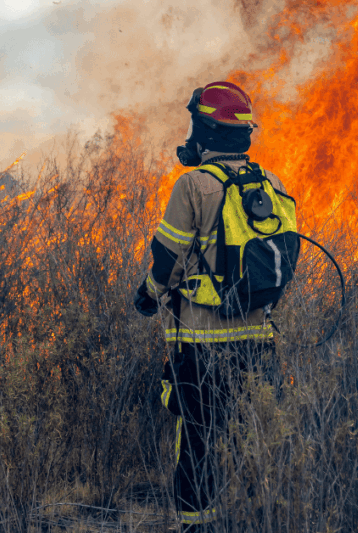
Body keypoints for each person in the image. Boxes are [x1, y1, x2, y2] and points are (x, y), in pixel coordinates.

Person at [134, 81, 293, 532]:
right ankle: (256, 519)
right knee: (253, 435)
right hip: (258, 337)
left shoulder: (193, 186)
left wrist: (147, 294)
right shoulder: (272, 184)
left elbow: (167, 261)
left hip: (202, 343)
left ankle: (197, 525)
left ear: (204, 131)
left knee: (199, 438)